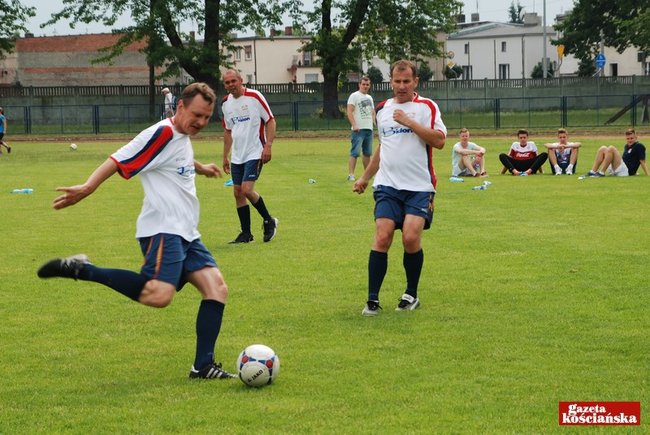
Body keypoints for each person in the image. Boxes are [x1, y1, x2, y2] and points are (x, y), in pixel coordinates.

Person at [37, 82, 236, 380]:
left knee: (216, 289)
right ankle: (83, 269)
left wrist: (199, 167)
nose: (201, 122)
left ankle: (202, 366)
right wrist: (88, 187)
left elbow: (173, 157)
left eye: (207, 117)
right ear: (180, 106)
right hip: (163, 230)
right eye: (197, 115)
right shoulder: (161, 133)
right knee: (159, 296)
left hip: (186, 231)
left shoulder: (180, 134)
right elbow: (119, 158)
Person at [353, 59, 447, 316]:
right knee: (383, 235)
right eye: (397, 81)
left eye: (407, 81)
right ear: (391, 82)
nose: (402, 86)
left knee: (410, 237)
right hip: (388, 185)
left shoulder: (427, 107)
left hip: (419, 186)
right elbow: (384, 148)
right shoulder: (382, 109)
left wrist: (410, 122)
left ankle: (411, 294)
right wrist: (365, 178)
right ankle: (372, 299)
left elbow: (439, 141)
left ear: (416, 81)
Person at [221, 69, 278, 244]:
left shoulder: (254, 97)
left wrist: (268, 145)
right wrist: (225, 156)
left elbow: (270, 120)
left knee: (246, 190)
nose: (231, 85)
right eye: (227, 82)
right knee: (238, 193)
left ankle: (269, 220)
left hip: (255, 151)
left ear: (240, 80)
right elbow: (228, 131)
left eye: (233, 81)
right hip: (237, 155)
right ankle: (246, 234)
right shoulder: (226, 103)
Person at [346, 76, 375, 181]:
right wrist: (354, 125)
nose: (365, 86)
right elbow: (349, 111)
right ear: (359, 84)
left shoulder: (370, 98)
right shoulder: (354, 96)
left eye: (367, 84)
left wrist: (373, 123)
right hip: (358, 129)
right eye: (363, 84)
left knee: (367, 153)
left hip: (368, 129)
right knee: (355, 152)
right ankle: (351, 175)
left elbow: (372, 111)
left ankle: (367, 174)